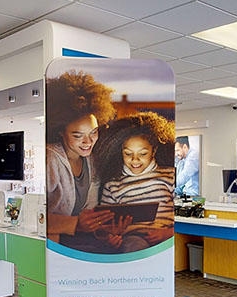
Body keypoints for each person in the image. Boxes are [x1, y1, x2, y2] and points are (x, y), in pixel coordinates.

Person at [46, 70, 116, 243]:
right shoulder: (51, 159)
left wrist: (105, 231)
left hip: (76, 242)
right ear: (60, 132)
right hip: (52, 245)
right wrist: (76, 223)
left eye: (94, 132)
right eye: (78, 135)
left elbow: (89, 213)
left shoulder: (90, 161)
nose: (88, 142)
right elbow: (36, 214)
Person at [94, 112, 176, 252]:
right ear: (120, 152)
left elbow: (181, 215)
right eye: (128, 153)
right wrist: (111, 237)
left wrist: (167, 234)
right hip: (134, 240)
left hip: (167, 237)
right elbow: (103, 225)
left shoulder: (170, 175)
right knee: (136, 246)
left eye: (142, 154)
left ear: (154, 151)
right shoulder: (113, 185)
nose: (135, 160)